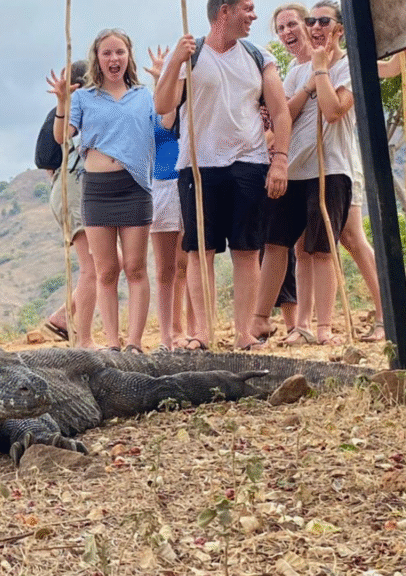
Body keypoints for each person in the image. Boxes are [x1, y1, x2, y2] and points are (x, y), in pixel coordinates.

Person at [155, 0, 292, 351]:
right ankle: (203, 333)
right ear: (224, 11)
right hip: (197, 166)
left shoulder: (259, 57)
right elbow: (163, 106)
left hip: (249, 162)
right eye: (247, 8)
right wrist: (175, 62)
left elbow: (280, 112)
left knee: (246, 250)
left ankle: (244, 334)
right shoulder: (190, 54)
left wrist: (280, 160)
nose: (254, 15)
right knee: (200, 251)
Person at [47, 28, 159, 353]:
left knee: (135, 267)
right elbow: (62, 136)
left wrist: (163, 79)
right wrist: (62, 102)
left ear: (128, 56)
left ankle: (134, 342)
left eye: (119, 52)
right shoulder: (84, 98)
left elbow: (164, 125)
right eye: (107, 52)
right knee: (106, 270)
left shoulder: (143, 95)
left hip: (135, 187)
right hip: (97, 190)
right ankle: (112, 342)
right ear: (97, 58)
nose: (114, 58)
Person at [254, 0, 355, 346]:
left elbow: (333, 111)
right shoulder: (296, 71)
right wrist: (309, 83)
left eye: (323, 21)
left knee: (321, 249)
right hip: (294, 170)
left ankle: (323, 328)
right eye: (312, 21)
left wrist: (322, 71)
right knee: (277, 243)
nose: (316, 27)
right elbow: (285, 115)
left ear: (339, 29)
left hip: (329, 169)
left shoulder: (346, 65)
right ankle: (270, 322)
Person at [37, 60, 98, 349]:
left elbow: (44, 161)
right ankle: (85, 338)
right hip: (73, 188)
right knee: (92, 266)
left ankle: (63, 316)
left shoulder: (69, 112)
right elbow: (47, 158)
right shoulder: (70, 113)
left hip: (72, 188)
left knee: (112, 262)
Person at [144, 46, 187, 351]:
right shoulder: (153, 107)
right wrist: (162, 79)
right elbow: (166, 120)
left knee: (188, 262)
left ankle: (188, 330)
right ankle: (167, 334)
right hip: (162, 185)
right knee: (165, 268)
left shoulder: (193, 102)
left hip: (189, 180)